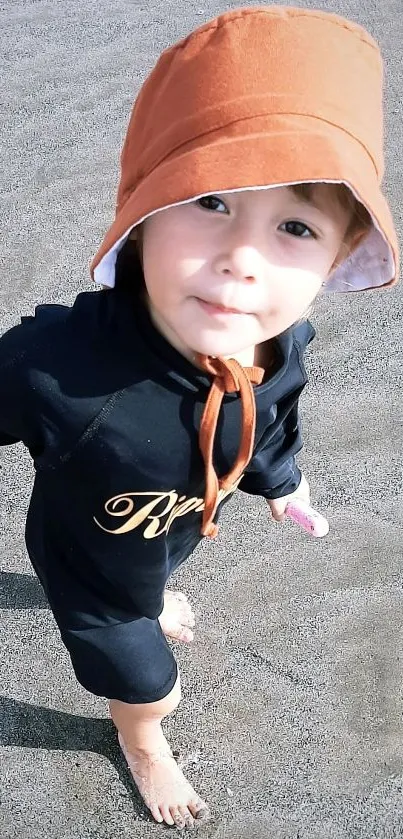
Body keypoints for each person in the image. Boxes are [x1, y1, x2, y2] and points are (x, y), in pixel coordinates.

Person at [0, 5, 399, 831]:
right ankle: (142, 740)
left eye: (295, 225)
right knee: (153, 684)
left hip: (169, 529)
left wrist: (282, 484)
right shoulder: (58, 365)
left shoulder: (279, 341)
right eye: (209, 200)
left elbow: (274, 413)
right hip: (88, 563)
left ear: (337, 255)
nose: (241, 259)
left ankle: (149, 597)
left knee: (155, 576)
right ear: (143, 213)